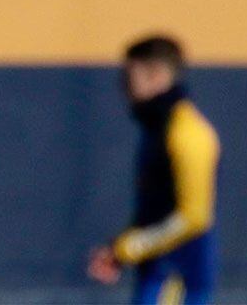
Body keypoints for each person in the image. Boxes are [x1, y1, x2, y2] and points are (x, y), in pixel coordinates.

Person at [87, 35, 220, 305]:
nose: (124, 88)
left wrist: (127, 248)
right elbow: (154, 210)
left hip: (177, 277)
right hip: (158, 275)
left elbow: (194, 217)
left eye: (130, 78)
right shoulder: (157, 129)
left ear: (157, 76)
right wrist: (119, 248)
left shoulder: (187, 133)